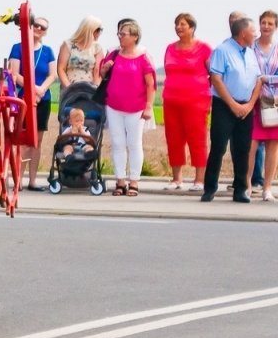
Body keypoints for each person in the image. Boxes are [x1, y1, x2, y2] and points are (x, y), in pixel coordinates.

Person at [203, 14, 262, 203]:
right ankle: (210, 188)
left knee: (243, 149)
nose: (256, 34)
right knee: (218, 148)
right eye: (254, 31)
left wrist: (250, 104)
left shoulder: (251, 52)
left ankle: (240, 189)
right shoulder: (222, 50)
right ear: (243, 33)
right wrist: (233, 104)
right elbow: (216, 79)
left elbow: (258, 80)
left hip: (246, 106)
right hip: (224, 105)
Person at [99, 19, 156, 196]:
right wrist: (105, 69)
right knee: (117, 143)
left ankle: (134, 181)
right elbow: (101, 75)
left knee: (134, 143)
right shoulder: (113, 55)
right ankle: (120, 180)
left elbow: (150, 83)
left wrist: (148, 107)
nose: (120, 37)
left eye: (123, 34)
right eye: (119, 34)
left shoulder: (142, 57)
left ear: (134, 37)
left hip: (136, 107)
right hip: (114, 105)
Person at [161, 12, 213, 190]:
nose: (179, 27)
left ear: (192, 28)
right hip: (171, 100)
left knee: (197, 139)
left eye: (183, 24)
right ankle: (176, 179)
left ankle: (199, 180)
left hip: (196, 101)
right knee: (173, 139)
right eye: (177, 24)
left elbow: (213, 74)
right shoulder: (169, 48)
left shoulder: (204, 48)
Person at [9, 16, 56, 189]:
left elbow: (52, 74)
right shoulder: (18, 48)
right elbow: (14, 73)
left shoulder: (48, 50)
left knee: (37, 140)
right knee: (23, 140)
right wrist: (33, 88)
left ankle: (33, 180)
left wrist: (41, 89)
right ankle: (18, 179)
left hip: (43, 98)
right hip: (24, 97)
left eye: (42, 27)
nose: (38, 29)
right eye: (36, 25)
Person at [251, 10, 278, 201]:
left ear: (275, 27)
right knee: (250, 146)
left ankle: (267, 188)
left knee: (272, 146)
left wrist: (266, 78)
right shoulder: (250, 48)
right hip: (254, 102)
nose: (266, 26)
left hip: (274, 103)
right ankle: (246, 185)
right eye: (263, 23)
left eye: (270, 23)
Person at [57, 16, 105, 88]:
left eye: (101, 30)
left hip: (89, 90)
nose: (100, 33)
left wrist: (95, 90)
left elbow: (97, 71)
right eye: (98, 29)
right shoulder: (68, 45)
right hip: (69, 89)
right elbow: (61, 69)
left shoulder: (97, 48)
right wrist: (69, 88)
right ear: (89, 29)